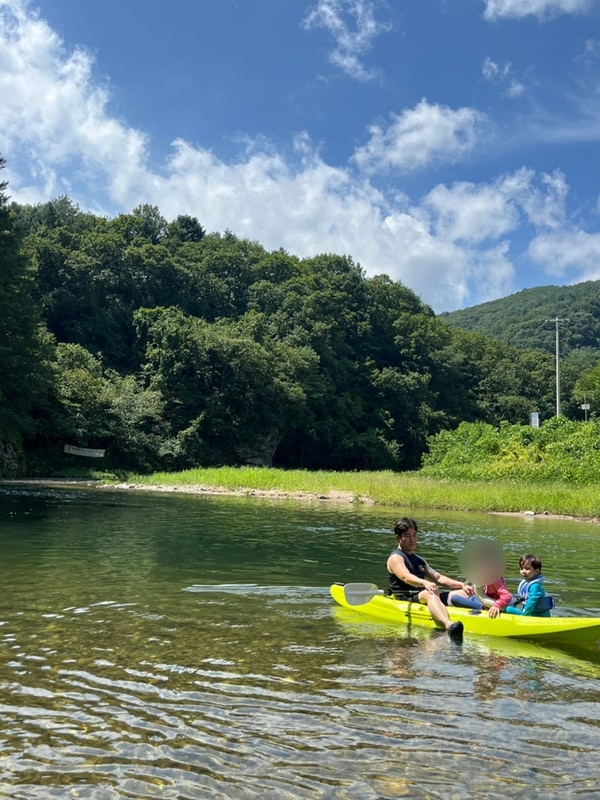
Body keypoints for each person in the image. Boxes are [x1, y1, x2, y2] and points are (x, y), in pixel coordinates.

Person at [386, 517, 476, 638]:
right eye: (407, 536)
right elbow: (406, 577)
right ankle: (448, 625)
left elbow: (438, 578)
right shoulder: (396, 558)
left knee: (465, 593)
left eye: (414, 535)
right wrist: (425, 583)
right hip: (406, 597)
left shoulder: (419, 560)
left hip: (422, 593)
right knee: (430, 593)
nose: (412, 540)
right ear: (398, 538)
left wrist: (462, 585)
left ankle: (489, 609)